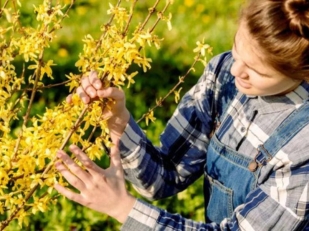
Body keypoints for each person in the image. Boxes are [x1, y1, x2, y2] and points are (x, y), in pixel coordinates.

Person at [54, 0, 309, 230]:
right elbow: (166, 175)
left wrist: (121, 207)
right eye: (236, 49)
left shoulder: (303, 147)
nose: (235, 71)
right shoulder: (223, 76)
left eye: (257, 72)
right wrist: (117, 119)